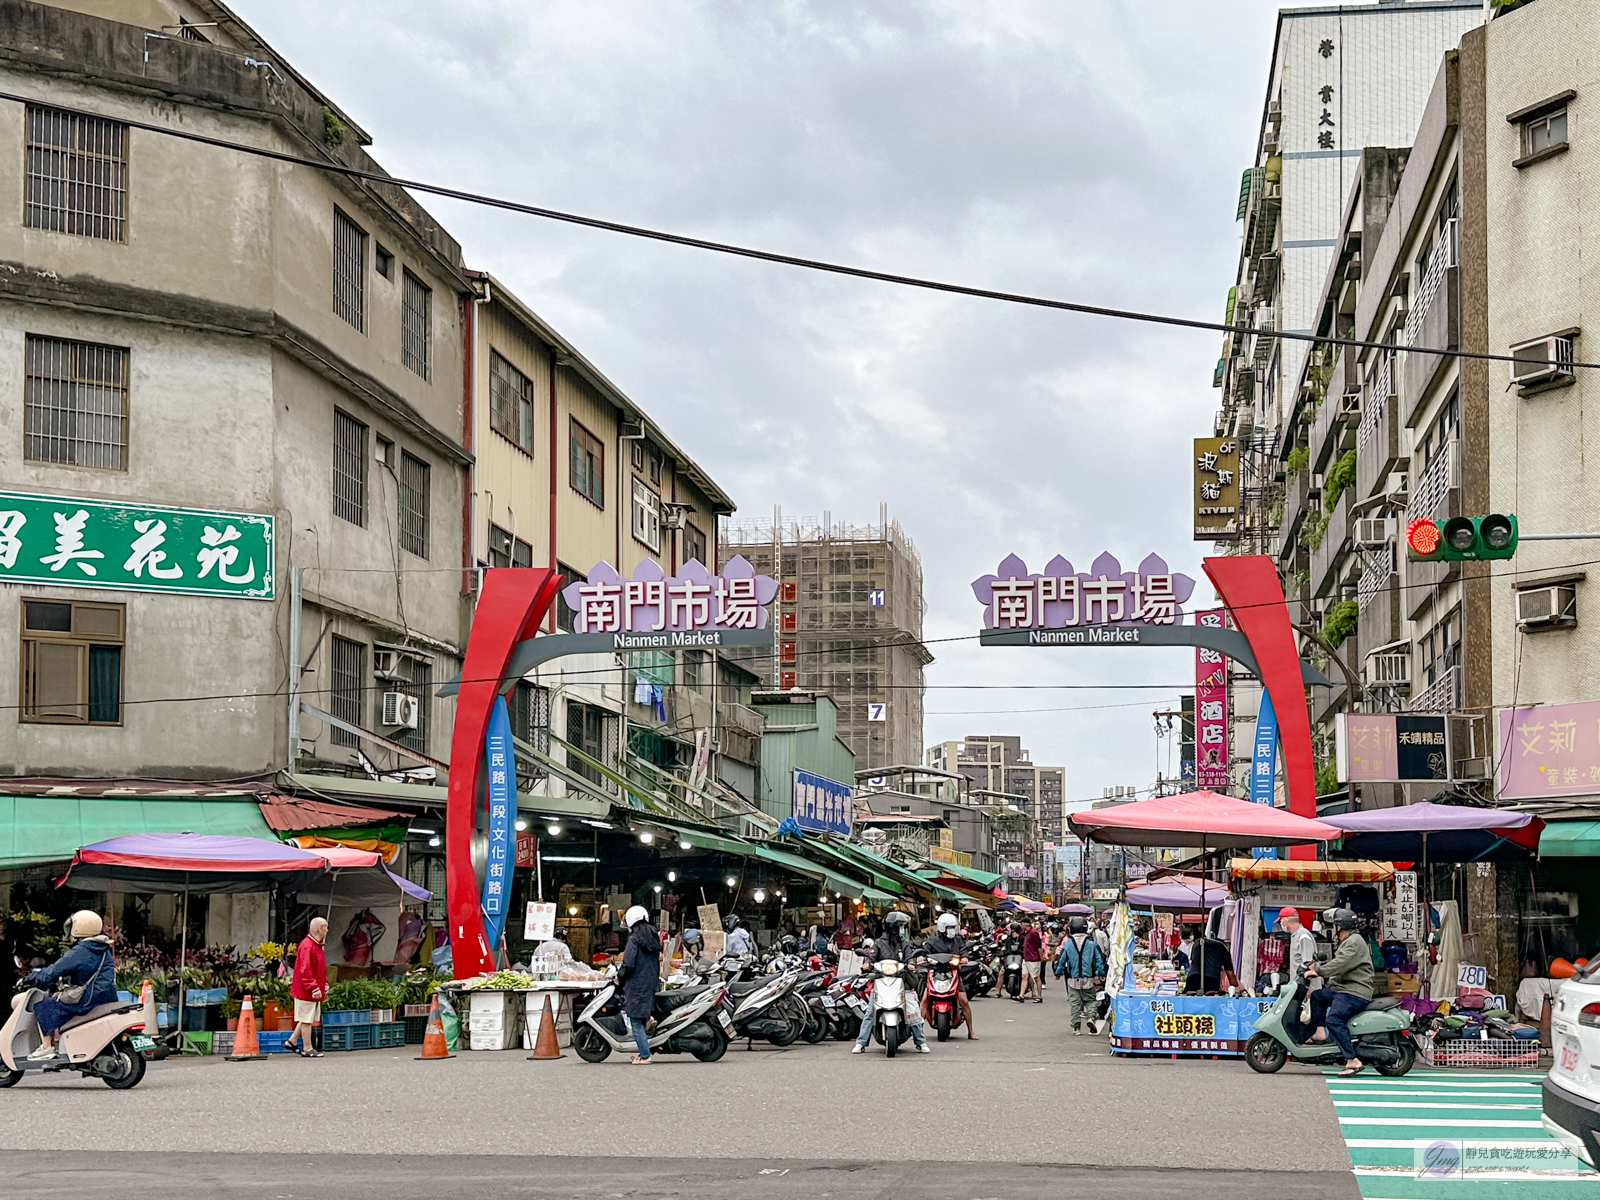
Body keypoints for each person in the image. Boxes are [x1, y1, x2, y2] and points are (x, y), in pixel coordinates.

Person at [22, 910, 116, 1060]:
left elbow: (54, 970)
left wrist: (30, 978)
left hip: (87, 998)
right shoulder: (102, 948)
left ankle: (47, 1048)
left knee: (44, 1005)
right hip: (104, 996)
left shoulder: (82, 950)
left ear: (79, 928)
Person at [1308, 907, 1374, 1076]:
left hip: (1354, 992)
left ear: (1340, 926)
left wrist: (1319, 971)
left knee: (1334, 1020)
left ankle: (1352, 1059)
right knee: (1317, 996)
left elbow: (1340, 963)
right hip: (1342, 989)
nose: (1332, 929)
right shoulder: (1349, 941)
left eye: (1334, 925)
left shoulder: (1354, 942)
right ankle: (1319, 1033)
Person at [853, 910, 929, 1054]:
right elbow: (871, 956)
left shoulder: (904, 943)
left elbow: (909, 957)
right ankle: (861, 1042)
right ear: (892, 926)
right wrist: (867, 963)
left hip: (901, 981)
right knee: (870, 1011)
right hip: (881, 981)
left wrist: (911, 963)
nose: (901, 928)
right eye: (899, 925)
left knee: (912, 1009)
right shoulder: (878, 943)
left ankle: (921, 1041)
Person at [918, 912, 977, 1040]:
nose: (952, 930)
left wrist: (965, 958)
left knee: (964, 1001)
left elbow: (964, 952)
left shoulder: (958, 940)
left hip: (953, 972)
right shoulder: (932, 941)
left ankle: (970, 1031)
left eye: (953, 927)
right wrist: (921, 958)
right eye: (949, 927)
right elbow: (924, 952)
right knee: (923, 1000)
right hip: (934, 972)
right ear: (942, 927)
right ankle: (917, 1032)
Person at [617, 905, 661, 1064]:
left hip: (636, 983)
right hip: (650, 981)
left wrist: (619, 976)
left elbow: (628, 964)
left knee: (635, 1020)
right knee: (641, 1013)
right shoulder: (653, 937)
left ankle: (644, 1055)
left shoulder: (634, 939)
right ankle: (648, 1018)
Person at [1055, 916, 1108, 1034]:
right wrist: (1101, 973)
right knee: (1091, 1000)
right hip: (1089, 978)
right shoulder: (1091, 943)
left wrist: (1058, 973)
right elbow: (1099, 959)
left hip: (1073, 979)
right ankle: (1090, 1018)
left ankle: (1076, 1028)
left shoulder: (1068, 943)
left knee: (1075, 1004)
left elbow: (1062, 959)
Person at [285, 916, 328, 1058]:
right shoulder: (308, 946)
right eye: (325, 927)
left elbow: (318, 968)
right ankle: (307, 1047)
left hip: (308, 988)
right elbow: (306, 970)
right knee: (307, 1019)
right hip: (305, 990)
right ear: (320, 929)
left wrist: (324, 983)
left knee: (306, 1017)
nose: (327, 930)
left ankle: (292, 1041)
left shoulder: (312, 945)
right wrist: (314, 987)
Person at [1183, 925, 1239, 995]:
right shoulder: (1223, 948)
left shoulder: (1198, 943)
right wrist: (1237, 990)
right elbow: (1230, 975)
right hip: (1212, 980)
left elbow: (1192, 962)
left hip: (1193, 978)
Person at [1020, 919, 1045, 1003]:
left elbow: (1039, 946)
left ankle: (1039, 996)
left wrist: (1041, 957)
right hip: (1026, 957)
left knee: (1036, 977)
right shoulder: (1026, 932)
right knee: (1024, 976)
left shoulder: (1033, 932)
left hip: (1033, 958)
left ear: (1024, 924)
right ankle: (1021, 995)